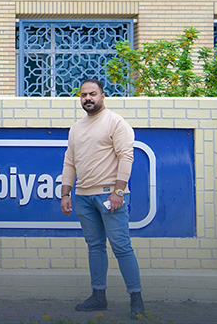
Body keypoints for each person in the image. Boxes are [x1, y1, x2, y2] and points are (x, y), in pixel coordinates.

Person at [60, 79, 145, 319]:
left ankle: (136, 299)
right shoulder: (76, 128)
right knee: (95, 247)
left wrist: (119, 192)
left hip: (109, 196)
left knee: (121, 247)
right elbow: (69, 162)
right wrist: (65, 193)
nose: (88, 98)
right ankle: (98, 296)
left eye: (92, 94)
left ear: (102, 96)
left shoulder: (115, 122)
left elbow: (126, 156)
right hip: (83, 197)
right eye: (83, 95)